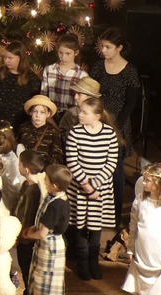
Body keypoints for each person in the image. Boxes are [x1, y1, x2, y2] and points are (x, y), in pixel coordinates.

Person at [89, 27, 141, 227]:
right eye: (102, 46)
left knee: (115, 171)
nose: (103, 50)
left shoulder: (130, 71)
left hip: (119, 124)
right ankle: (96, 212)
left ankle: (116, 216)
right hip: (98, 120)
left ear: (119, 48)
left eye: (108, 47)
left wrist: (115, 126)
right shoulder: (98, 67)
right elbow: (91, 92)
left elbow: (130, 103)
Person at [65, 97, 120, 281]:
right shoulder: (75, 132)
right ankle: (82, 263)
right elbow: (72, 160)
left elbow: (111, 162)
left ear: (97, 116)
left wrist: (95, 185)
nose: (80, 114)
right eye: (80, 111)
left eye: (84, 112)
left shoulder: (109, 134)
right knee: (80, 226)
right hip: (80, 189)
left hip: (100, 190)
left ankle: (93, 262)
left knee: (96, 228)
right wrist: (86, 186)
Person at [122, 162, 161, 295]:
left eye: (148, 180)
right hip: (142, 254)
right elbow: (133, 226)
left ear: (159, 183)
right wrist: (130, 248)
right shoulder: (140, 201)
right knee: (140, 289)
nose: (143, 183)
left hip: (159, 256)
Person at [22, 164, 72, 295]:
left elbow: (43, 233)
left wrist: (29, 235)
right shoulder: (54, 197)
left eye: (46, 180)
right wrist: (33, 228)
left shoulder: (56, 205)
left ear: (54, 185)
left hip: (50, 247)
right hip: (45, 244)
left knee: (44, 283)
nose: (44, 181)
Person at [12, 150, 46, 295]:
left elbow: (28, 214)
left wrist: (21, 236)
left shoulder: (33, 191)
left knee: (27, 269)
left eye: (19, 163)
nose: (17, 166)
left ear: (26, 169)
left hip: (26, 238)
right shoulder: (27, 184)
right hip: (21, 234)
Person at [0, 41, 41, 134]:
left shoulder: (32, 79)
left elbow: (33, 106)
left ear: (20, 58)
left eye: (10, 58)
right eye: (5, 57)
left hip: (20, 127)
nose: (6, 61)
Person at [41, 33, 88, 121]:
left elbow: (83, 103)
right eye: (60, 53)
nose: (63, 57)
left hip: (73, 118)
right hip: (51, 117)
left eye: (68, 53)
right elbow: (43, 97)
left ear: (76, 53)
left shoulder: (82, 76)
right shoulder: (49, 70)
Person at [18, 95, 63, 166]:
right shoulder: (23, 128)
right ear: (30, 112)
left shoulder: (53, 132)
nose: (38, 115)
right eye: (35, 111)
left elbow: (57, 156)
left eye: (42, 112)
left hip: (45, 170)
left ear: (48, 114)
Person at [58, 76, 101, 143]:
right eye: (75, 93)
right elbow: (61, 133)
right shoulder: (71, 113)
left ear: (90, 97)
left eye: (79, 94)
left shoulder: (100, 114)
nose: (75, 97)